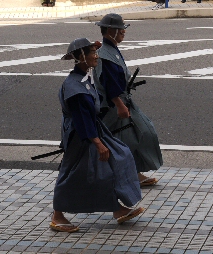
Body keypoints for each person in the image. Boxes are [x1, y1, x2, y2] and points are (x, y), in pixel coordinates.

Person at [50, 37, 144, 232]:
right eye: (92, 53)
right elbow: (82, 120)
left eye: (95, 52)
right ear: (81, 57)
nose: (96, 56)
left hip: (91, 131)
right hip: (81, 136)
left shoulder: (83, 79)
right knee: (73, 174)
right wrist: (98, 143)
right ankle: (57, 216)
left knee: (116, 160)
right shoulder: (76, 87)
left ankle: (118, 210)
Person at [95, 13, 164, 188]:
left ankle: (132, 172)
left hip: (123, 102)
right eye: (121, 30)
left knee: (140, 133)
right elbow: (108, 83)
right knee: (130, 139)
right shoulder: (105, 54)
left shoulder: (111, 49)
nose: (124, 33)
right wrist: (119, 104)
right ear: (111, 31)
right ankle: (126, 174)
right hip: (114, 106)